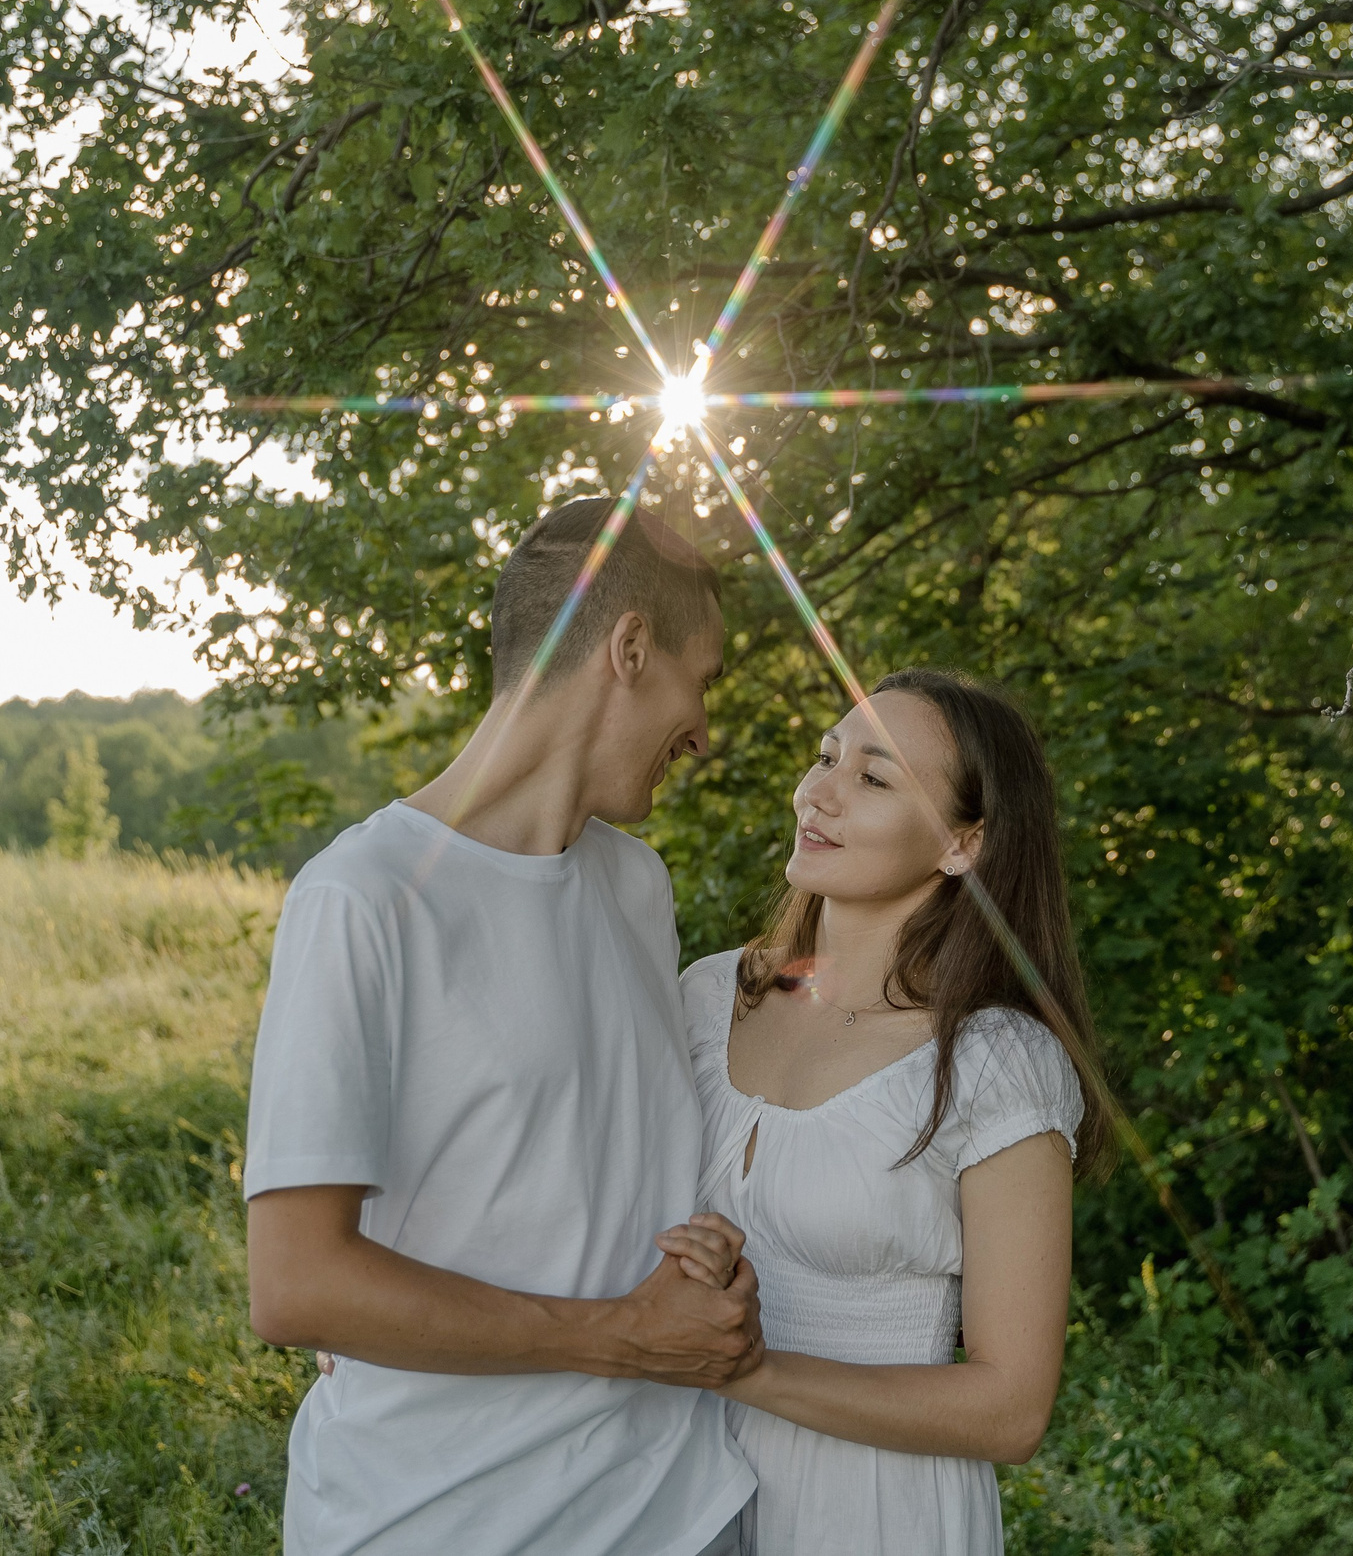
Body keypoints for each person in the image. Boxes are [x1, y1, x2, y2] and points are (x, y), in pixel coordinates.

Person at [242, 497, 762, 1556]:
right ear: (627, 647)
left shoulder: (635, 883)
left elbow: (576, 1173)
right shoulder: (364, 897)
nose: (705, 733)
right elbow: (298, 1285)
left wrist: (708, 1263)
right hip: (443, 1523)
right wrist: (624, 1339)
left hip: (675, 1511)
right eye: (698, 682)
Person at [659, 668, 1109, 1556]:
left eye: (873, 776)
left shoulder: (992, 1063)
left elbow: (1012, 1409)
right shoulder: (707, 996)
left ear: (962, 844)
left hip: (869, 1509)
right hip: (671, 1485)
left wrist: (751, 1371)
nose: (818, 792)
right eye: (826, 756)